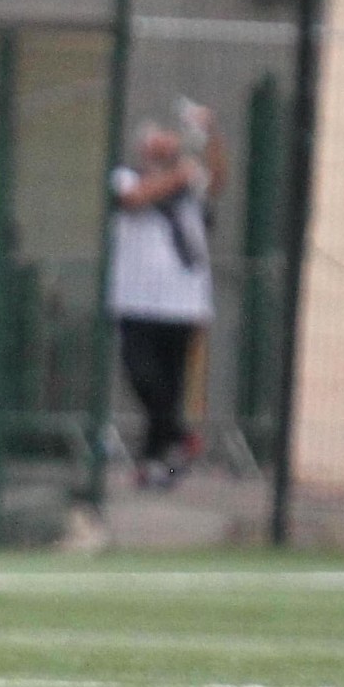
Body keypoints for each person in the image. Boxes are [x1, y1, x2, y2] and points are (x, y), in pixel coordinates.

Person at [108, 105, 225, 488]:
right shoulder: (127, 178)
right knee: (143, 377)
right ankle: (179, 435)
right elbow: (136, 198)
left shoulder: (191, 185)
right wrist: (180, 174)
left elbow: (218, 179)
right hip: (136, 301)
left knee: (172, 385)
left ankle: (157, 464)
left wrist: (209, 136)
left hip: (183, 303)